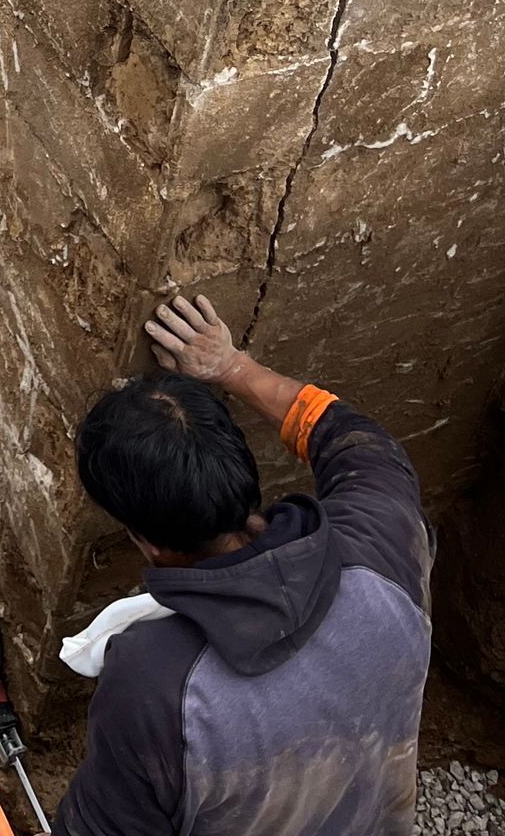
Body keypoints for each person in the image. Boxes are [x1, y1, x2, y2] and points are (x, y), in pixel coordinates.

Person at [54, 291, 432, 836]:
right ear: (240, 469)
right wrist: (232, 367)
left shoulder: (156, 682)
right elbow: (356, 441)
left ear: (145, 542)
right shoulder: (383, 544)